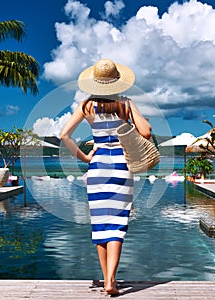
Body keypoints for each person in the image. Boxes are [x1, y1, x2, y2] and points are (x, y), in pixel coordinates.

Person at [60, 58, 151, 295]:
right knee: (118, 224)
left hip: (98, 169)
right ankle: (112, 280)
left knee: (101, 224)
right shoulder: (125, 104)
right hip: (121, 167)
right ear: (117, 82)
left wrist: (84, 158)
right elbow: (146, 132)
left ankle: (106, 279)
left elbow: (64, 136)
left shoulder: (87, 106)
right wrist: (132, 110)